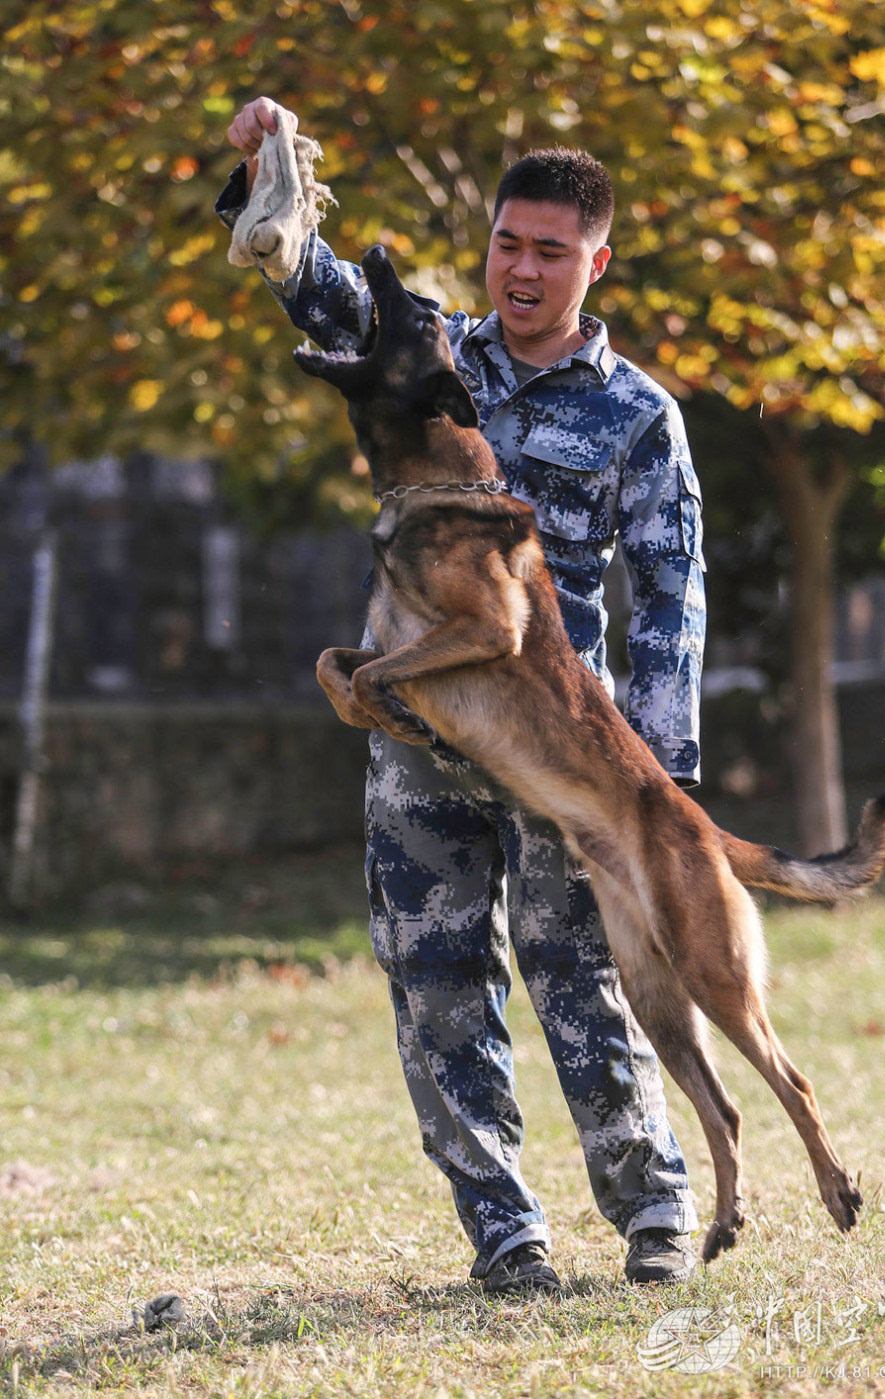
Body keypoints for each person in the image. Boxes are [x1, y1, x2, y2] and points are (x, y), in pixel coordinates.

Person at [218, 97, 706, 1293]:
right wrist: (257, 176)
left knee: (581, 981)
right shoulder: (438, 352)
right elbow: (316, 284)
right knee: (437, 988)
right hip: (420, 737)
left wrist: (658, 772)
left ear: (595, 261)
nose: (522, 268)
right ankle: (505, 1237)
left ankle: (653, 1214)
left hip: (555, 750)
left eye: (549, 249)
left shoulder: (639, 414)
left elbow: (672, 593)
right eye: (506, 242)